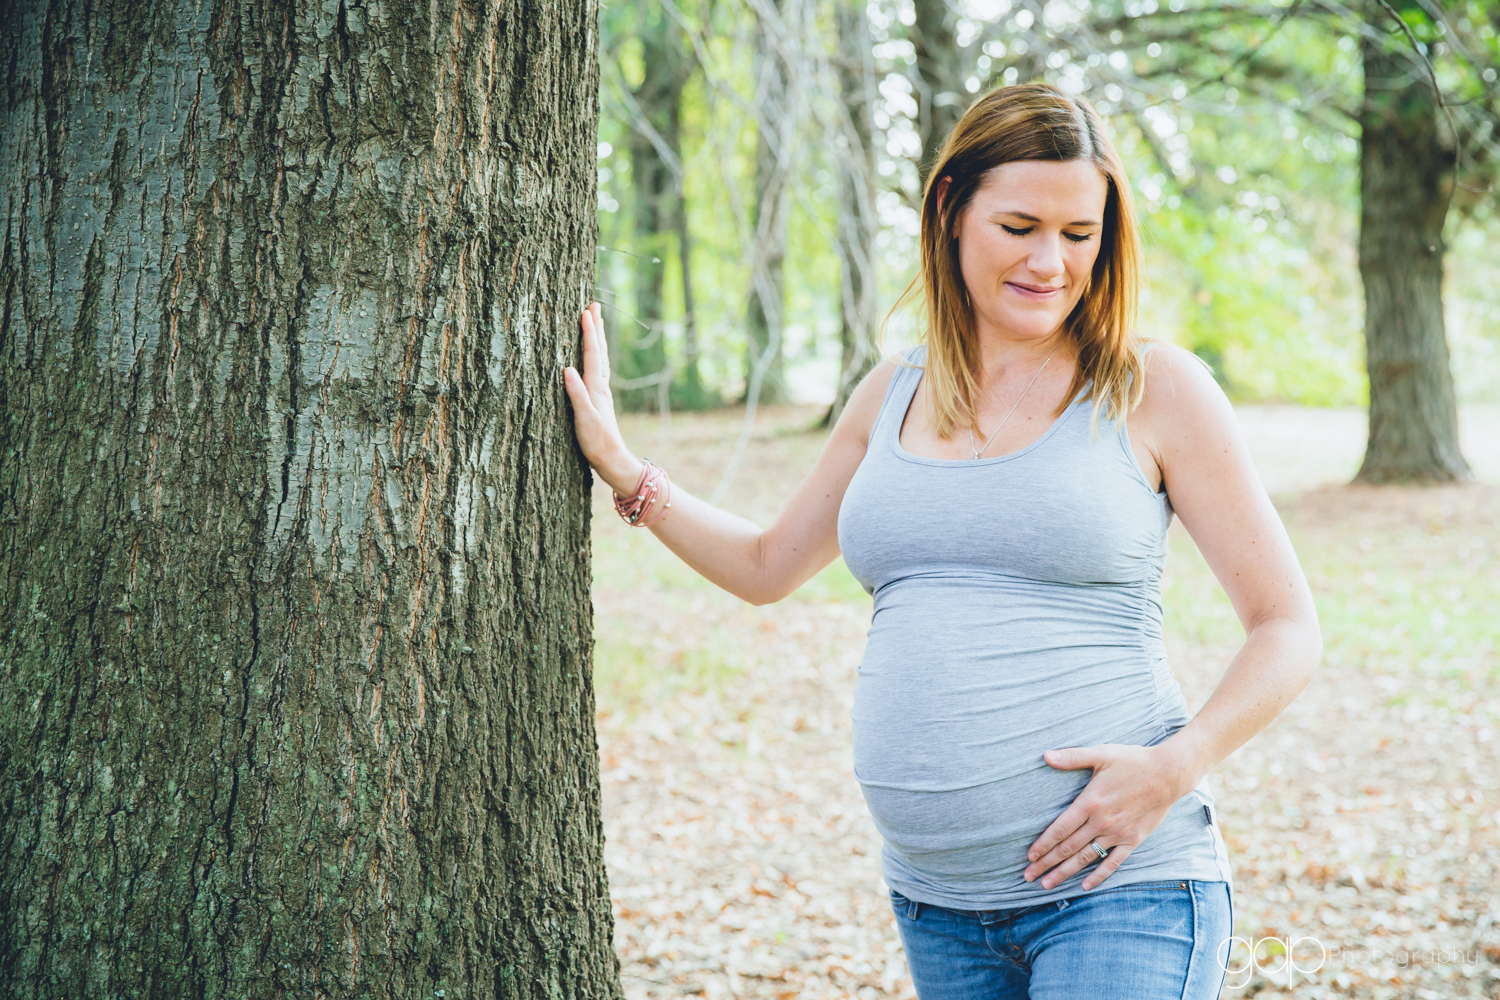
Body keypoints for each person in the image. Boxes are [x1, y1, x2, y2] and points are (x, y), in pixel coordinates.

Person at [562, 83, 1321, 1000]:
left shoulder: (1154, 387)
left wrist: (1174, 769)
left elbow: (1286, 627)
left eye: (1080, 235)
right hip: (938, 908)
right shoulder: (892, 392)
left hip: (1120, 892)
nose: (1052, 261)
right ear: (950, 209)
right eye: (1020, 226)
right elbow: (768, 566)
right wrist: (624, 469)